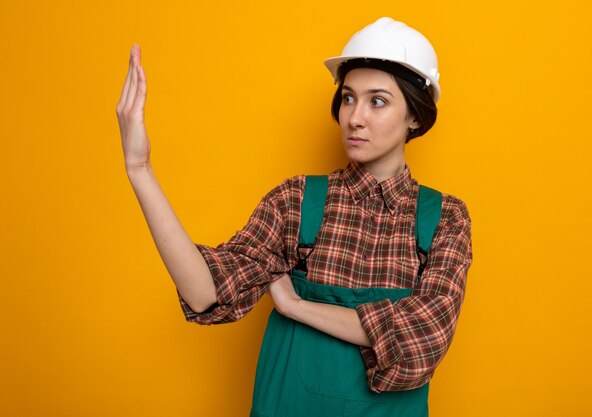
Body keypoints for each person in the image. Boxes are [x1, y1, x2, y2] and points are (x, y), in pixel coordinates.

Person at [117, 17, 472, 417]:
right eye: (348, 97)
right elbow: (205, 293)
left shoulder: (445, 218)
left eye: (377, 101)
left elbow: (425, 337)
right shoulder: (298, 201)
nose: (354, 117)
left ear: (415, 116)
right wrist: (140, 169)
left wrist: (297, 307)